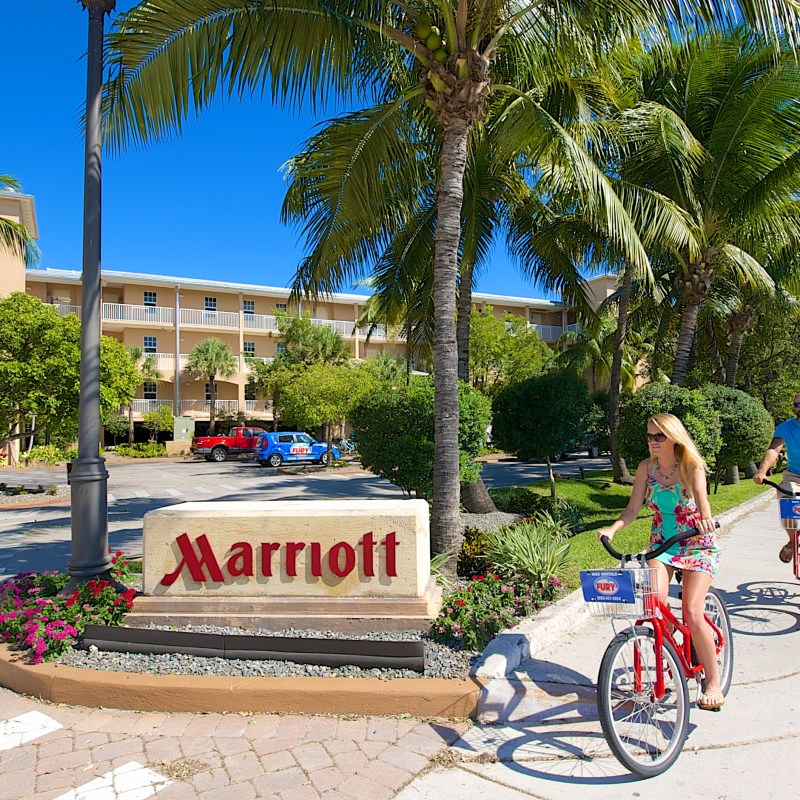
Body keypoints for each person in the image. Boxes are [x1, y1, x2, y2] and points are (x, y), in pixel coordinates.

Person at [596, 413, 723, 711]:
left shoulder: (690, 466)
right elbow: (632, 509)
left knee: (692, 611)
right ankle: (672, 647)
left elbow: (703, 503)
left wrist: (705, 520)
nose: (653, 442)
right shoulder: (646, 468)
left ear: (673, 437)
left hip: (695, 543)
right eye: (649, 436)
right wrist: (612, 529)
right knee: (654, 604)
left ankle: (713, 681)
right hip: (661, 546)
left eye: (659, 436)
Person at [753, 392, 800, 563]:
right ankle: (794, 541)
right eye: (798, 405)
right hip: (794, 476)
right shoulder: (786, 427)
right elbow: (774, 450)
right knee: (787, 499)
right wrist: (762, 471)